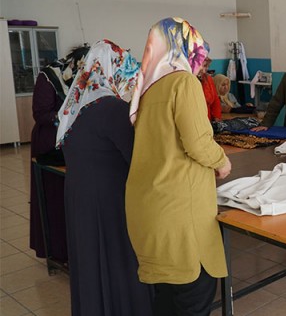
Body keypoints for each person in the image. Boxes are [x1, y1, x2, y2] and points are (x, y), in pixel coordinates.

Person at [126, 17, 231, 316]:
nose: (201, 62)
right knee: (194, 295)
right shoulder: (183, 82)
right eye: (198, 54)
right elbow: (197, 142)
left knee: (167, 298)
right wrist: (221, 162)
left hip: (149, 207)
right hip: (179, 213)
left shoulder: (146, 89)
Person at [56, 40, 153, 316]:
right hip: (108, 203)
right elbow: (139, 158)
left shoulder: (75, 108)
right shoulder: (112, 109)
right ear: (114, 71)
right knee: (118, 263)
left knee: (91, 265)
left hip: (80, 200)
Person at [29, 45, 89, 264]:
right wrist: (68, 116)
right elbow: (41, 114)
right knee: (55, 198)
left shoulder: (86, 78)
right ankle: (59, 251)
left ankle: (77, 248)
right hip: (50, 143)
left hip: (74, 142)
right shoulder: (49, 76)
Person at [197, 56, 222, 122]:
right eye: (204, 66)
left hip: (208, 120)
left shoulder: (208, 79)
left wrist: (217, 117)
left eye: (208, 66)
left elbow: (215, 100)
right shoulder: (188, 80)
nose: (206, 69)